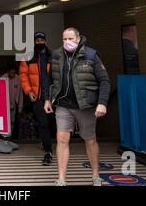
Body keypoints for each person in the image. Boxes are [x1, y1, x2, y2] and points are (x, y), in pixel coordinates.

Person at [44, 27, 111, 186]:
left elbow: (105, 81)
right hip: (63, 104)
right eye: (64, 39)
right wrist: (47, 99)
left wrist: (102, 103)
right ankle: (61, 178)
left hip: (85, 105)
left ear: (78, 39)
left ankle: (95, 175)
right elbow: (48, 80)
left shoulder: (91, 55)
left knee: (90, 140)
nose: (67, 42)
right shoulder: (56, 55)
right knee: (61, 139)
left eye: (70, 39)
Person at [19, 31, 53, 165]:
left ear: (45, 41)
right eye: (37, 40)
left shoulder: (54, 56)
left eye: (41, 40)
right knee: (43, 124)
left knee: (52, 124)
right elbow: (23, 76)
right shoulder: (27, 56)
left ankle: (47, 143)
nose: (39, 42)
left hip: (52, 97)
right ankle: (48, 152)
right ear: (34, 42)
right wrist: (28, 91)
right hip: (37, 97)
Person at [2, 62, 23, 135]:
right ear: (7, 71)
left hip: (13, 106)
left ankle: (9, 136)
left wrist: (20, 109)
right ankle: (3, 136)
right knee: (4, 122)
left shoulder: (18, 79)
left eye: (14, 73)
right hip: (4, 106)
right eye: (10, 73)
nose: (12, 75)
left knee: (12, 122)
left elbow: (20, 94)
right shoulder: (3, 78)